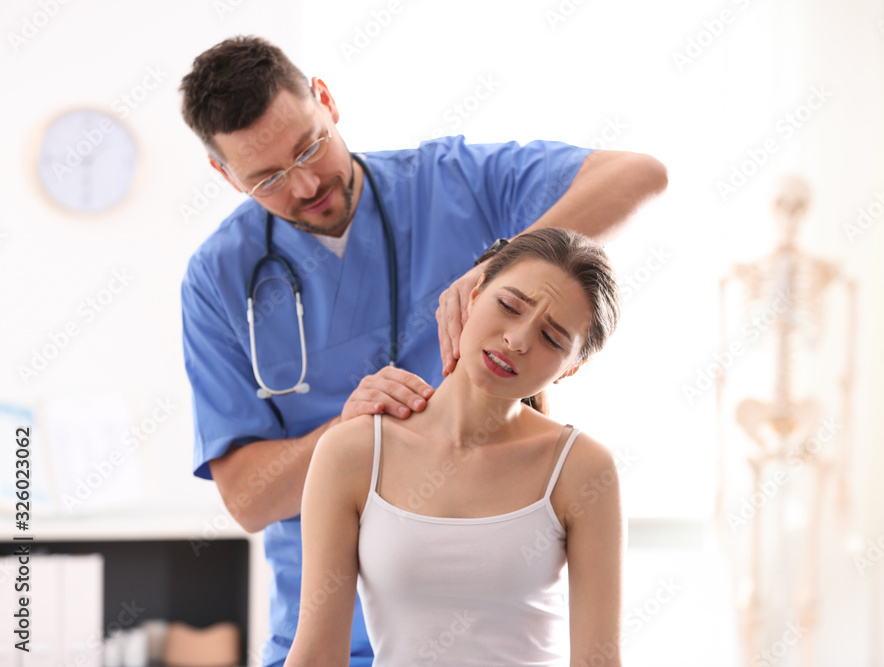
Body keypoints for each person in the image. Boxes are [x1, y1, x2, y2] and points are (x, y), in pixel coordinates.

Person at [178, 35, 666, 666]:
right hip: (320, 630)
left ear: (326, 100)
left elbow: (641, 175)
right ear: (225, 175)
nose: (304, 185)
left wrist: (504, 267)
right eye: (267, 178)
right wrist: (355, 436)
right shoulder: (221, 277)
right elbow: (247, 498)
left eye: (309, 146)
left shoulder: (449, 183)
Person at [287, 228, 624, 666]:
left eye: (552, 339)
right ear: (472, 295)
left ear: (571, 369)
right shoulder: (352, 452)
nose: (518, 340)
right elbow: (317, 654)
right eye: (508, 306)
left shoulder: (582, 469)